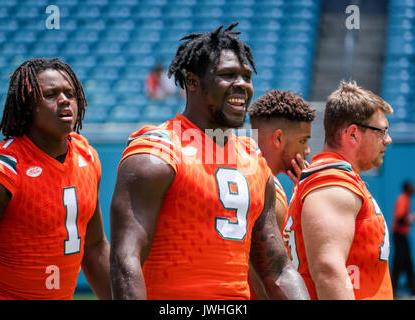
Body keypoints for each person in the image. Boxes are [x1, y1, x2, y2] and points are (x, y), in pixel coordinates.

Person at [109, 23, 309, 300]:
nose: (241, 84)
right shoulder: (157, 152)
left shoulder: (253, 160)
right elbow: (124, 260)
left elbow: (277, 269)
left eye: (246, 76)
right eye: (227, 75)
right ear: (192, 82)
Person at [0, 58, 111, 300]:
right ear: (27, 105)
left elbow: (94, 246)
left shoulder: (87, 156)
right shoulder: (4, 169)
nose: (64, 100)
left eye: (70, 93)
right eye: (50, 94)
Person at [286, 80, 394, 299]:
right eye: (381, 131)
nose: (388, 140)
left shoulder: (331, 179)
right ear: (352, 133)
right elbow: (329, 270)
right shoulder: (332, 183)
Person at [247, 89, 315, 299]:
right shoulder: (269, 194)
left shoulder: (248, 173)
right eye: (304, 141)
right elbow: (262, 273)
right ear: (278, 138)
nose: (308, 151)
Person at [391, 181, 415, 296]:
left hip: (402, 236)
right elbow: (400, 219)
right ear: (407, 188)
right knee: (400, 263)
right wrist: (411, 218)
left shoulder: (406, 199)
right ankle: (392, 289)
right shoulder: (403, 199)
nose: (413, 188)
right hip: (399, 236)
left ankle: (410, 289)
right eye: (412, 187)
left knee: (406, 264)